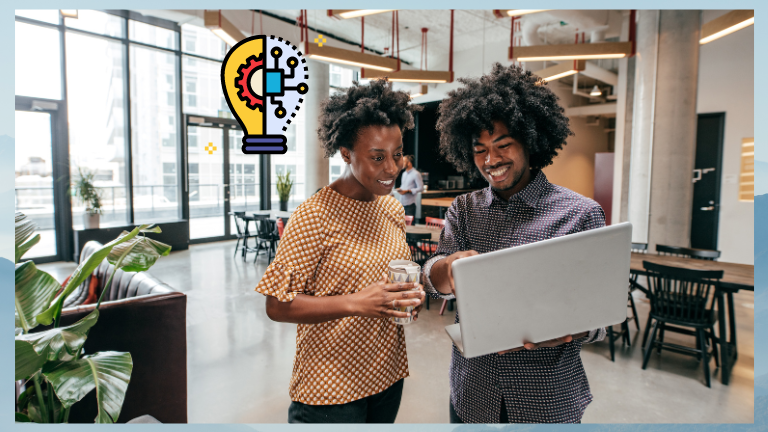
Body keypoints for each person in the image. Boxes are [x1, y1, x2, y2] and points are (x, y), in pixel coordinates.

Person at [422, 63, 607, 424]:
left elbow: (599, 320)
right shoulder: (464, 210)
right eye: (480, 150)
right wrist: (445, 268)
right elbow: (433, 279)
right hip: (473, 393)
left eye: (503, 145)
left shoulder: (580, 214)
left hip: (546, 399)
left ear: (531, 141)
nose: (491, 161)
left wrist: (567, 329)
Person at [255, 78, 426, 424]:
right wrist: (356, 302)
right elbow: (276, 304)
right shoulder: (314, 214)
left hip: (386, 376)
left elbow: (391, 279)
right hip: (330, 389)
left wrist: (412, 294)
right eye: (377, 157)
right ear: (346, 153)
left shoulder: (391, 209)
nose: (391, 169)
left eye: (397, 155)